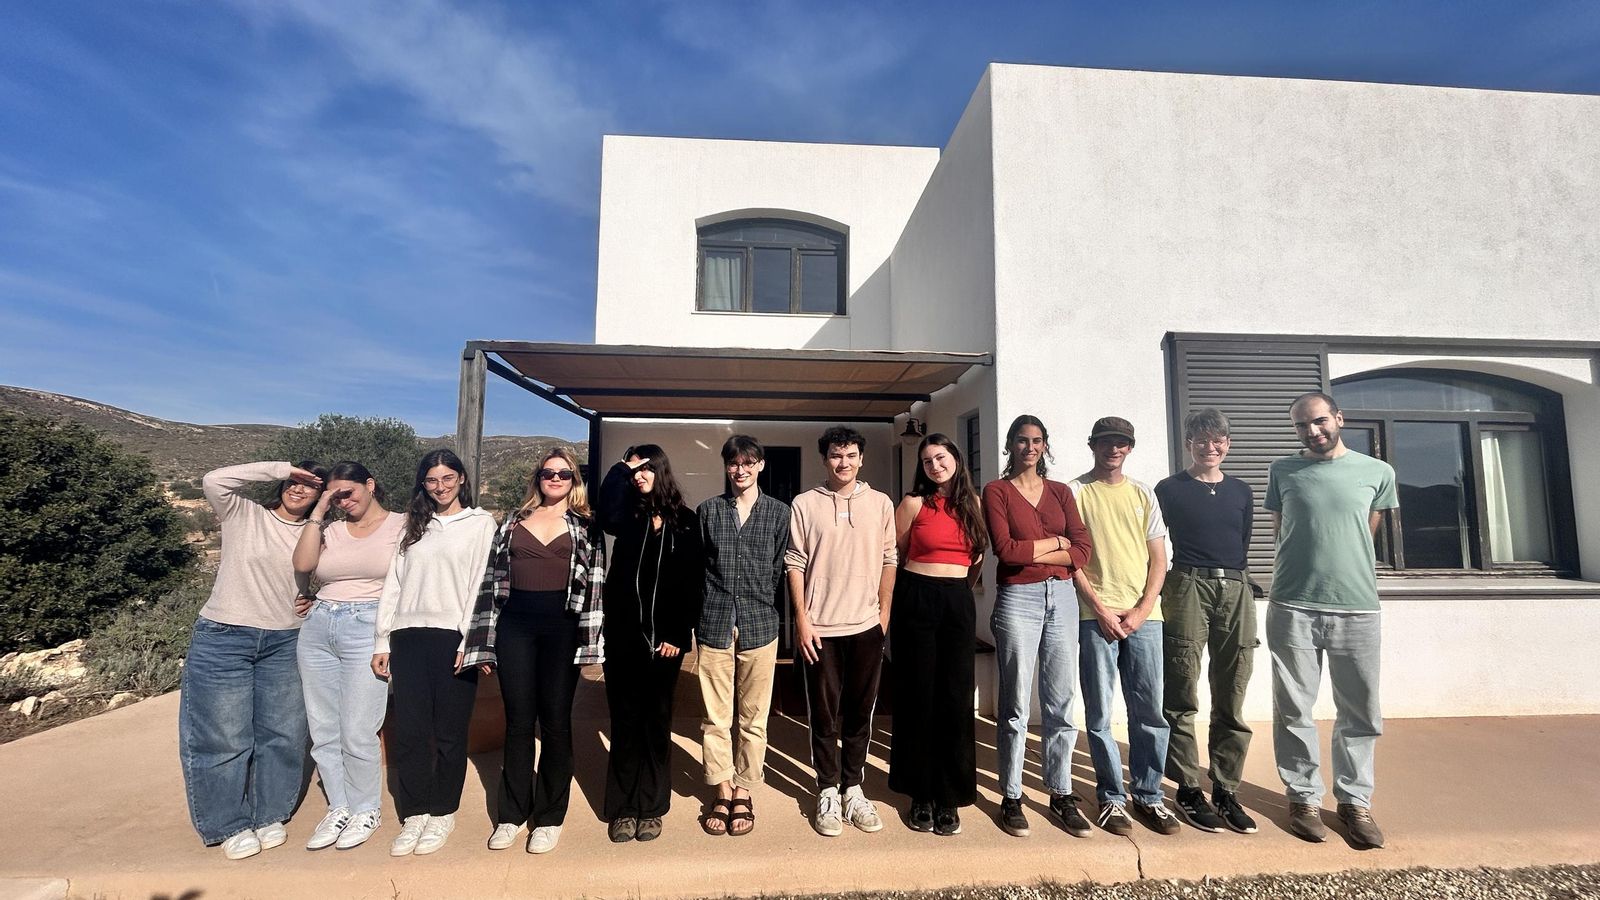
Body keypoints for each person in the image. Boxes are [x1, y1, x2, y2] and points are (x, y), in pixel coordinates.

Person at [1264, 391, 1397, 850]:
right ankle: (1302, 797)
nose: (1312, 431)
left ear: (1339, 418)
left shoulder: (1378, 472)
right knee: (1293, 707)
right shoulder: (1282, 471)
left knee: (1360, 710)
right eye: (1302, 425)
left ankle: (1354, 802)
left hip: (1356, 607)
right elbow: (1283, 529)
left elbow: (1368, 529)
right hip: (1292, 605)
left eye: (1319, 421)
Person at [179, 459, 326, 860]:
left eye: (310, 486)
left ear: (321, 496)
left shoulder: (318, 533)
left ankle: (269, 813)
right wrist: (285, 468)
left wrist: (315, 598)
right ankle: (228, 823)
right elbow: (213, 478)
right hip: (225, 636)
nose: (298, 489)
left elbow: (338, 576)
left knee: (284, 734)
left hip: (286, 639)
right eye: (294, 482)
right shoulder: (243, 513)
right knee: (222, 736)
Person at [461, 448, 604, 855]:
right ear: (537, 477)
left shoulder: (586, 526)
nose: (555, 478)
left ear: (574, 480)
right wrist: (481, 642)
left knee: (555, 721)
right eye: (547, 472)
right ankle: (511, 813)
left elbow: (596, 585)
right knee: (519, 721)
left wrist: (591, 641)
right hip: (515, 627)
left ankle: (550, 817)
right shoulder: (511, 521)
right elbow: (490, 581)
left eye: (563, 473)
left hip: (563, 627)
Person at [372, 449, 498, 857]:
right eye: (431, 480)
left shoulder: (481, 524)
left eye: (447, 478)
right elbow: (394, 582)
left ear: (461, 479)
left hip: (452, 639)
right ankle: (415, 813)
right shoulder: (414, 525)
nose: (440, 487)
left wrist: (469, 642)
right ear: (422, 484)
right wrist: (382, 639)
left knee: (449, 732)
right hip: (407, 636)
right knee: (410, 731)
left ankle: (442, 811)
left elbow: (481, 585)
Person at [982, 415, 1093, 839]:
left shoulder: (1061, 492)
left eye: (1037, 441)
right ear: (1010, 445)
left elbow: (1083, 550)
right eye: (1022, 440)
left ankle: (1061, 792)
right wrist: (1057, 544)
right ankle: (1011, 796)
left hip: (1062, 598)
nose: (1030, 447)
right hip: (1018, 598)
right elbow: (1006, 551)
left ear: (1045, 446)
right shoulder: (997, 491)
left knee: (1060, 700)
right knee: (1014, 703)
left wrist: (1047, 550)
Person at [787, 425, 897, 837]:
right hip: (820, 629)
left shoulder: (881, 503)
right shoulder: (804, 504)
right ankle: (828, 789)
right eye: (836, 455)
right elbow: (794, 561)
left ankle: (853, 788)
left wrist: (883, 616)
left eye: (850, 455)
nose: (843, 462)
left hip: (866, 625)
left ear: (861, 459)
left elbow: (890, 559)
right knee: (823, 713)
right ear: (825, 459)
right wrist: (801, 618)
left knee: (860, 712)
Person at [1068, 417, 1176, 837]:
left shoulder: (1143, 493)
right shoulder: (1076, 492)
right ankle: (1111, 798)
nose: (1113, 449)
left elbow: (1159, 558)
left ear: (1130, 448)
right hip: (1095, 617)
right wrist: (1100, 609)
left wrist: (1143, 609)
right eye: (1105, 442)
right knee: (1099, 713)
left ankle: (1149, 795)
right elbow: (1073, 559)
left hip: (1144, 618)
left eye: (1121, 443)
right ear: (1092, 445)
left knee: (1149, 712)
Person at [1154, 408, 1259, 835]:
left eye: (1217, 440)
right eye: (1201, 440)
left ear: (1227, 445)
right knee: (1181, 687)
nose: (1209, 447)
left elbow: (1242, 542)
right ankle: (1188, 788)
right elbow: (1154, 543)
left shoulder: (1241, 491)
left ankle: (1226, 789)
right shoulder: (1169, 490)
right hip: (1187, 585)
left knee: (1233, 688)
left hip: (1235, 587)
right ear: (1188, 445)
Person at [291, 461, 404, 851]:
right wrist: (319, 510)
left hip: (368, 626)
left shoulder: (402, 525)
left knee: (358, 727)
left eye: (348, 493)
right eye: (335, 496)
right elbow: (303, 565)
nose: (343, 501)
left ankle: (365, 809)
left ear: (369, 485)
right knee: (323, 727)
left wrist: (388, 638)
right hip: (320, 624)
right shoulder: (332, 529)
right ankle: (339, 806)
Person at [595, 445, 704, 843]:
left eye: (645, 468)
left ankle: (652, 806)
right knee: (625, 723)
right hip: (624, 639)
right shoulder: (627, 516)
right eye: (633, 469)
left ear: (661, 470)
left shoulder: (686, 521)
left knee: (656, 723)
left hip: (665, 643)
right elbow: (604, 513)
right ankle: (623, 808)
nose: (639, 475)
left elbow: (693, 582)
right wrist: (619, 470)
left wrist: (678, 633)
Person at [889, 434, 987, 837]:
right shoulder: (913, 503)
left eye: (941, 457)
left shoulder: (974, 503)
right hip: (917, 598)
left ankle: (950, 796)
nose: (935, 466)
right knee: (918, 697)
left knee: (955, 699)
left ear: (956, 459)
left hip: (957, 601)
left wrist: (958, 593)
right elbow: (895, 554)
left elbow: (977, 559)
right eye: (927, 461)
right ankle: (921, 794)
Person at [695, 435, 790, 837]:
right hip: (715, 622)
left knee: (754, 717)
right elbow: (700, 566)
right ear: (726, 467)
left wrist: (762, 600)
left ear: (760, 465)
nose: (741, 470)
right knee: (716, 717)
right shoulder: (708, 511)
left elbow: (779, 566)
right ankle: (721, 789)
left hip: (760, 624)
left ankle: (745, 790)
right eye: (734, 463)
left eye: (748, 463)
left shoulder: (779, 513)